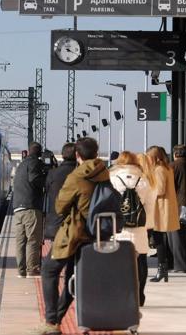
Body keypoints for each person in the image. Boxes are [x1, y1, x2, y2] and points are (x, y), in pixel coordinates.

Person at [34, 137, 107, 335]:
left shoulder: (77, 177)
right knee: (71, 276)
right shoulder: (104, 172)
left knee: (49, 270)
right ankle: (56, 319)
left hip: (74, 232)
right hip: (96, 233)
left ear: (77, 155)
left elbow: (60, 206)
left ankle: (51, 321)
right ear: (96, 153)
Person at [110, 151, 155, 306]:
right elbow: (150, 206)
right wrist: (147, 225)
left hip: (119, 228)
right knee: (141, 260)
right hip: (138, 227)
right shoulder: (143, 180)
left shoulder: (113, 179)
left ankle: (122, 293)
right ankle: (140, 295)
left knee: (118, 261)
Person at [146, 146, 180, 283]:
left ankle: (162, 269)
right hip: (164, 207)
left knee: (158, 239)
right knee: (161, 238)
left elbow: (160, 190)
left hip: (159, 208)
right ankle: (163, 269)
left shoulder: (159, 170)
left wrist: (147, 191)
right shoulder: (167, 168)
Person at [12, 142, 46, 278]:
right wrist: (46, 180)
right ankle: (32, 269)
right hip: (30, 207)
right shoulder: (35, 163)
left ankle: (21, 271)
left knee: (20, 240)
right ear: (39, 153)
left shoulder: (21, 164)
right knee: (33, 239)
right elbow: (35, 179)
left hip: (18, 207)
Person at [168, 144, 186, 273]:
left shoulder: (172, 167)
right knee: (185, 236)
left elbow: (169, 187)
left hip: (175, 206)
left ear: (175, 154)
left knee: (176, 237)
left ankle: (180, 265)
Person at [43, 143, 77, 241]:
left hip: (54, 225)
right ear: (77, 155)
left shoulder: (52, 173)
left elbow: (47, 190)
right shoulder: (80, 173)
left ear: (62, 155)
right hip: (75, 227)